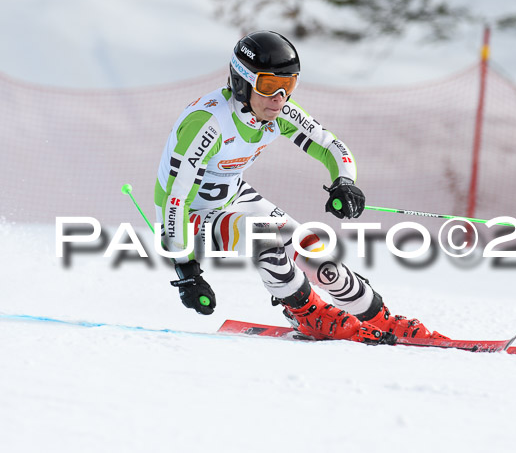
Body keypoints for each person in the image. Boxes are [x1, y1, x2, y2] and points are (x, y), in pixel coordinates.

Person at [155, 30, 446, 344]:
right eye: (268, 85)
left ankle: (380, 318)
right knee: (263, 235)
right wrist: (186, 270)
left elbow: (329, 146)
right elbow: (175, 200)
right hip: (187, 217)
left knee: (313, 250)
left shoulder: (274, 112)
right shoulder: (208, 123)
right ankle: (308, 313)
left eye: (288, 85)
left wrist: (344, 183)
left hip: (232, 195)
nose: (279, 98)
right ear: (242, 82)